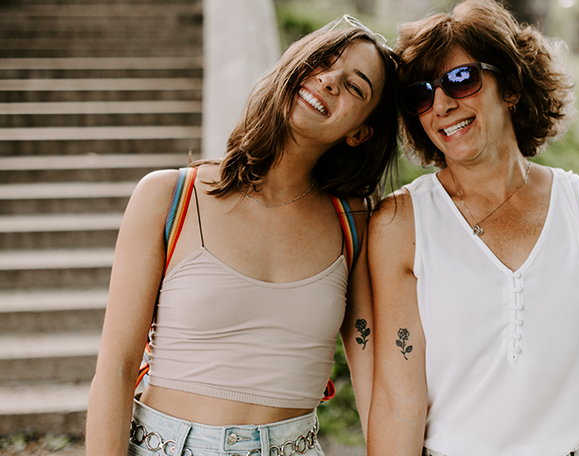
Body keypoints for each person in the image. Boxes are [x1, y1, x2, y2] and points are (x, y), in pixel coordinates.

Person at [86, 15, 398, 456]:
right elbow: (116, 370)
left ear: (360, 132)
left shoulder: (356, 223)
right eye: (323, 61)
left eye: (355, 87)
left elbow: (375, 384)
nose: (330, 81)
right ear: (294, 64)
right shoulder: (169, 197)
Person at [367, 1, 579, 455]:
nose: (441, 104)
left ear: (512, 87)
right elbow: (398, 399)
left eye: (461, 79)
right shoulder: (401, 224)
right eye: (420, 94)